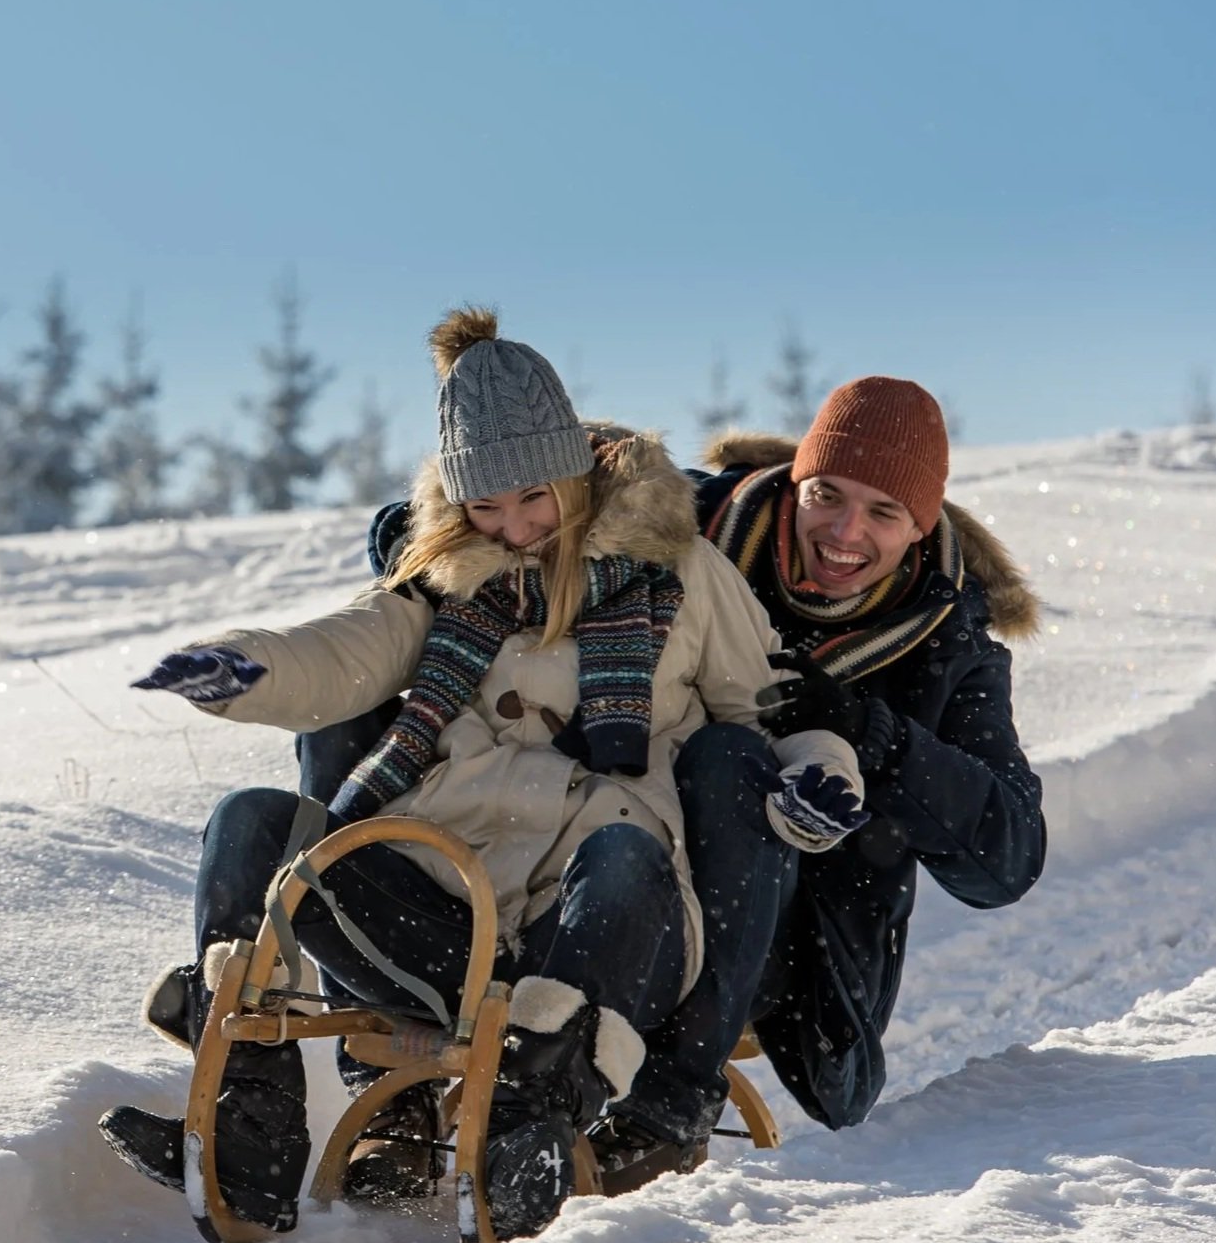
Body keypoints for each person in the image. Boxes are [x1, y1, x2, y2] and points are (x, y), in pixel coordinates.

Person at [97, 308, 864, 1242]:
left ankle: (526, 1124)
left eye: (531, 499)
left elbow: (772, 712)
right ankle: (248, 1122)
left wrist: (822, 771)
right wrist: (242, 665)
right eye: (483, 507)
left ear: (574, 473)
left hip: (601, 925)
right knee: (253, 821)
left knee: (625, 851)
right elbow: (347, 648)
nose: (510, 528)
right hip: (444, 910)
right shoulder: (443, 576)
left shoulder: (681, 572)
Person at [322, 374, 1046, 1193]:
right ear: (793, 483)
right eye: (826, 494)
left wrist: (871, 734)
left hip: (764, 921)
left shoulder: (948, 644)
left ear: (920, 527)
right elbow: (457, 511)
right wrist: (445, 569)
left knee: (730, 757)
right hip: (575, 850)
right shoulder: (690, 519)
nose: (844, 532)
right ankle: (394, 1085)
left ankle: (671, 1100)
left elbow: (1007, 857)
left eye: (883, 513)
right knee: (365, 696)